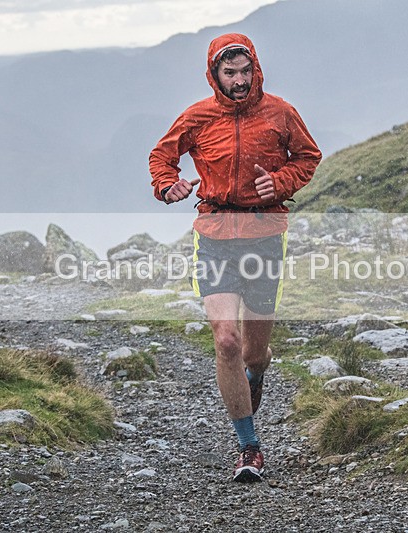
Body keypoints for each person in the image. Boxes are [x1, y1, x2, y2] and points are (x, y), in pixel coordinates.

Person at [149, 33, 322, 481]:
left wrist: (281, 183)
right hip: (215, 233)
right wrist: (168, 186)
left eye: (246, 72)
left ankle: (256, 374)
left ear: (256, 69)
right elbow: (161, 156)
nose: (240, 81)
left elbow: (308, 156)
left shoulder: (281, 113)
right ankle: (249, 448)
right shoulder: (198, 116)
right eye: (230, 73)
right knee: (226, 339)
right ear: (215, 74)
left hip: (265, 235)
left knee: (255, 351)